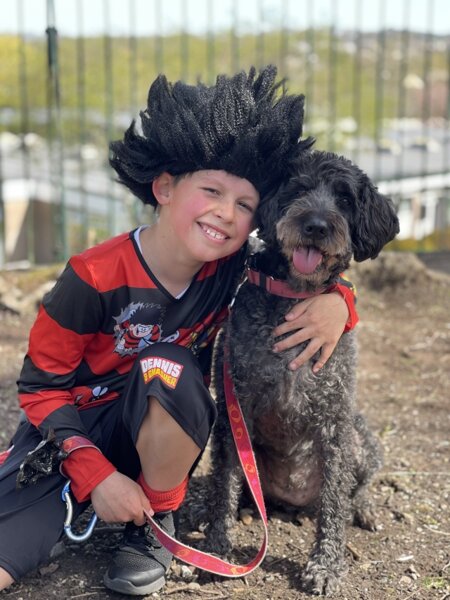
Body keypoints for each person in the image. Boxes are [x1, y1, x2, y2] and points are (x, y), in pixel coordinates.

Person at [0, 66, 357, 596]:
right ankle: (80, 503)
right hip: (71, 435)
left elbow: (303, 272)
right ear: (164, 188)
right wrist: (96, 475)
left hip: (160, 427)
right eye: (211, 190)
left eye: (244, 205)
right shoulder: (91, 276)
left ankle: (155, 524)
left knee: (165, 367)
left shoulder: (234, 267)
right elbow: (40, 387)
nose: (225, 215)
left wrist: (341, 303)